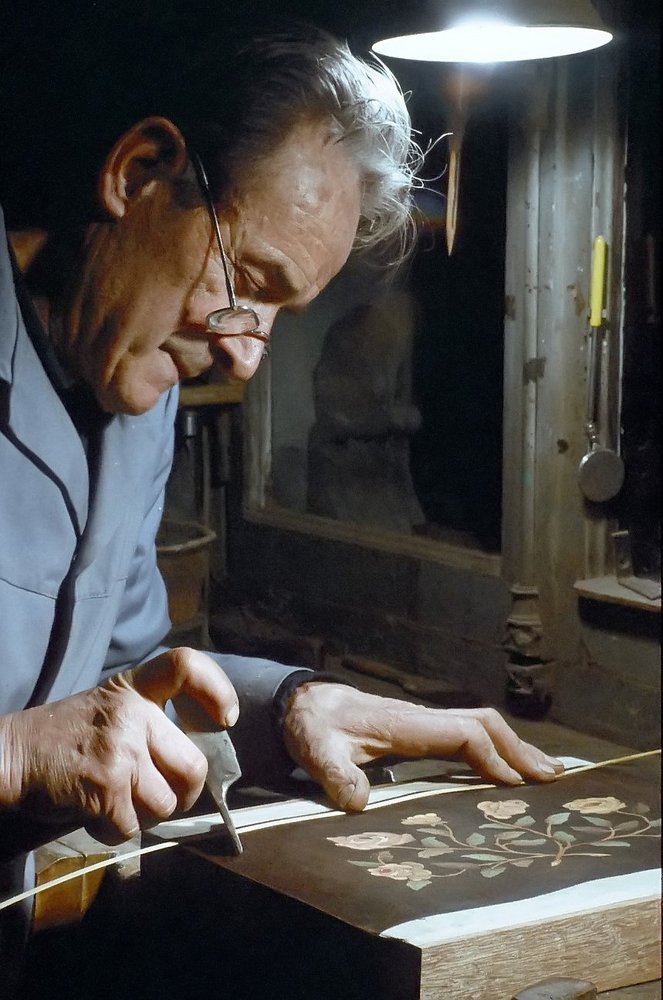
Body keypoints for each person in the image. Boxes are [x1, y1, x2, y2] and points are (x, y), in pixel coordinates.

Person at [0, 16, 563, 989]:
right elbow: (45, 733)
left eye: (279, 317)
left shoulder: (134, 394)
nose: (244, 353)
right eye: (247, 285)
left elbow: (124, 678)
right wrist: (12, 754)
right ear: (138, 173)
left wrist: (293, 707)